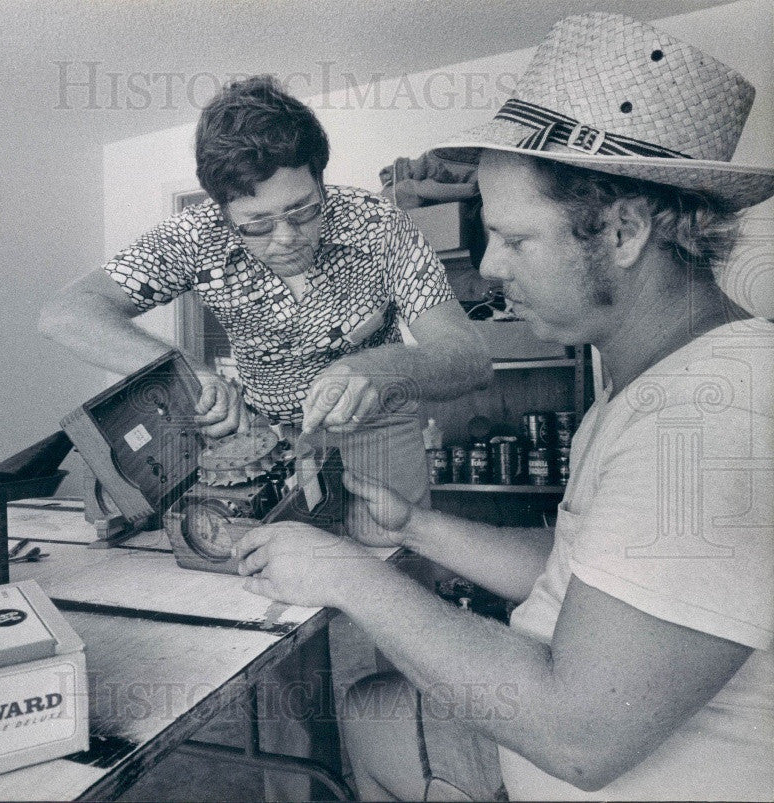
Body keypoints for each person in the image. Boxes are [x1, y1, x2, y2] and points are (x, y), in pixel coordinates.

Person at [234, 13, 773, 801]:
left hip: (588, 760)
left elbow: (580, 736)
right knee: (374, 706)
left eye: (515, 240)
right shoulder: (653, 381)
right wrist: (415, 528)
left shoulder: (709, 417)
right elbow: (579, 569)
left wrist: (348, 575)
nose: (487, 269)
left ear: (622, 231)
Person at [40, 75, 491, 519]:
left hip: (377, 426)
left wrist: (380, 367)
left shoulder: (380, 225)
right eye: (257, 223)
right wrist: (189, 375)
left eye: (303, 209)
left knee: (393, 561)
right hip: (264, 441)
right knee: (275, 573)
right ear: (221, 209)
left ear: (320, 179)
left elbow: (470, 357)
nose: (287, 238)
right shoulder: (194, 236)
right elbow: (67, 315)